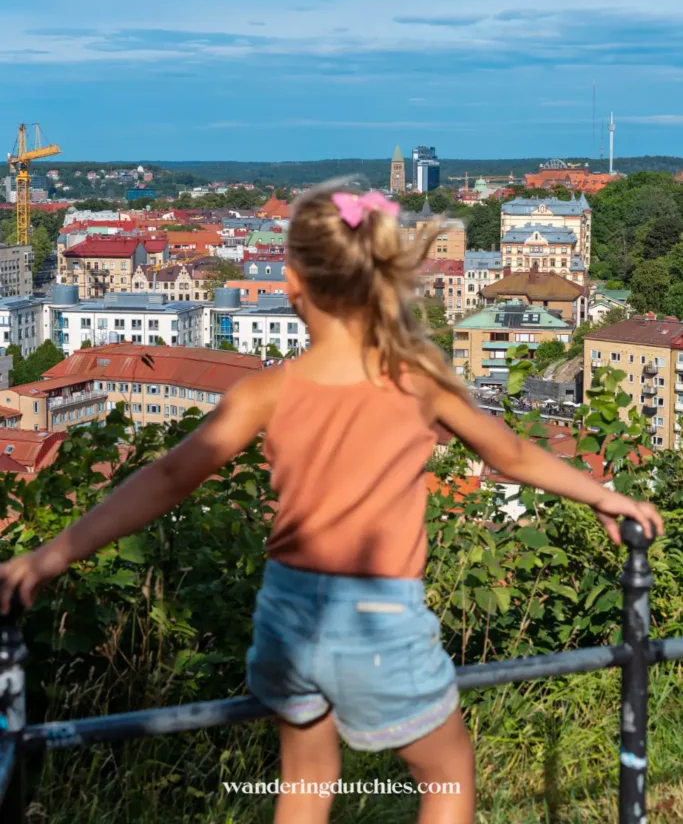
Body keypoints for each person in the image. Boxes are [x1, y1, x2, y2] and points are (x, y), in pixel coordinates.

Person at [0, 184, 663, 824]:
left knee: (307, 784)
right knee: (448, 774)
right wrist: (602, 495)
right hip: (378, 616)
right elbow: (511, 456)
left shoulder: (266, 391)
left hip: (287, 614)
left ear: (292, 289)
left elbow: (169, 477)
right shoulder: (416, 378)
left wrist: (49, 556)